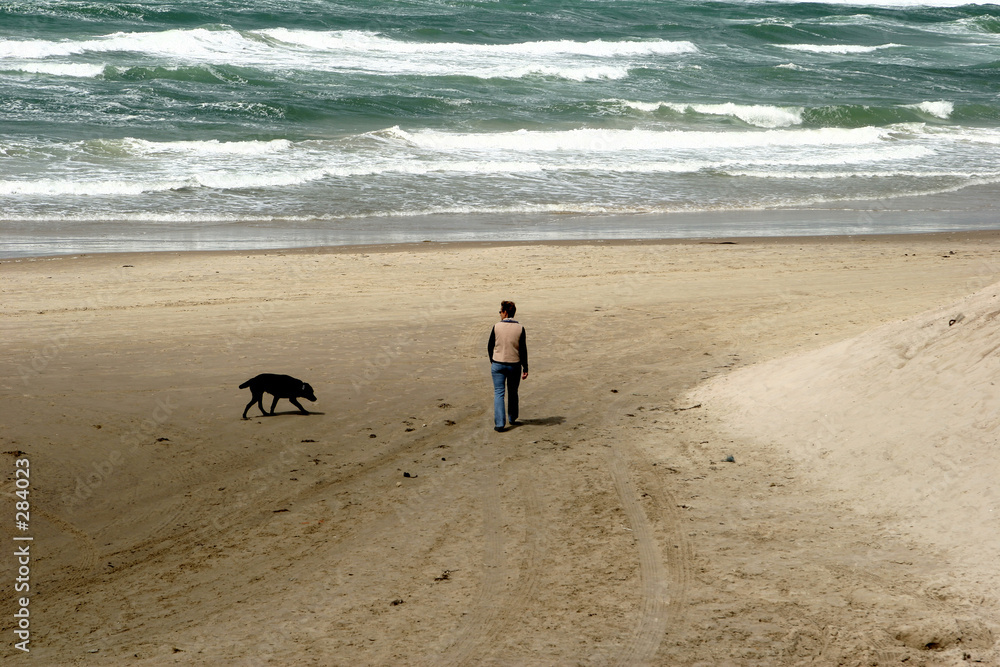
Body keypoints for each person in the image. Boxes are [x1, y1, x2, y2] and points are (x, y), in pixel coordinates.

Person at [487, 300, 528, 432]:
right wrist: (525, 367)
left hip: (498, 363)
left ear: (505, 312)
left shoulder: (496, 326)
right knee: (512, 391)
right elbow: (523, 350)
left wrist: (492, 360)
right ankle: (512, 417)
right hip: (514, 364)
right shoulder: (520, 328)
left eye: (500, 311)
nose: (500, 314)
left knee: (499, 393)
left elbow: (489, 346)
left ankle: (500, 423)